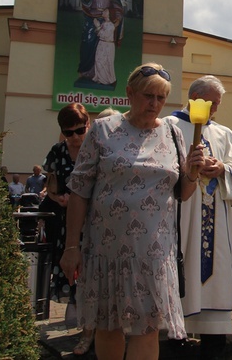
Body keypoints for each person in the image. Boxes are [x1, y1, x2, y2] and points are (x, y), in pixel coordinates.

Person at [60, 63, 205, 359]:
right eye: (147, 96)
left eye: (161, 98)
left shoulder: (173, 133)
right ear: (129, 93)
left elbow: (183, 193)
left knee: (147, 327)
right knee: (108, 325)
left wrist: (192, 172)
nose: (154, 104)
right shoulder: (102, 130)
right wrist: (71, 246)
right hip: (107, 250)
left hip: (152, 252)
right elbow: (79, 191)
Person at [169, 75, 232, 358]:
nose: (215, 110)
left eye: (217, 104)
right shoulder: (170, 126)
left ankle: (214, 342)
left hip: (217, 220)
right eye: (211, 103)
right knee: (183, 268)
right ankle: (176, 335)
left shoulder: (224, 134)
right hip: (182, 215)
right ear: (194, 98)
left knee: (217, 274)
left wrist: (223, 167)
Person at [41, 102, 95, 355]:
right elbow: (51, 184)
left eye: (79, 130)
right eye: (68, 132)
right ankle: (80, 322)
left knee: (92, 272)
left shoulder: (96, 148)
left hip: (94, 221)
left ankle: (89, 328)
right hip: (66, 221)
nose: (74, 137)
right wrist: (58, 198)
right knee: (72, 270)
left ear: (88, 125)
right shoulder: (57, 151)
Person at [78, 0, 123, 81]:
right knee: (87, 44)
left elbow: (118, 8)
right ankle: (86, 70)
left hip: (106, 22)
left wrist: (117, 19)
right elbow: (85, 3)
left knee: (103, 48)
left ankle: (101, 74)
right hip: (91, 20)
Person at [92, 8, 117, 86]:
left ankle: (105, 80)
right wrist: (98, 27)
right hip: (102, 44)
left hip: (107, 45)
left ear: (109, 14)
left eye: (105, 11)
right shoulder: (104, 23)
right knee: (98, 60)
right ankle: (99, 77)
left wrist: (98, 26)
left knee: (104, 62)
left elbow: (105, 35)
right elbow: (98, 33)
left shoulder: (111, 25)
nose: (103, 12)